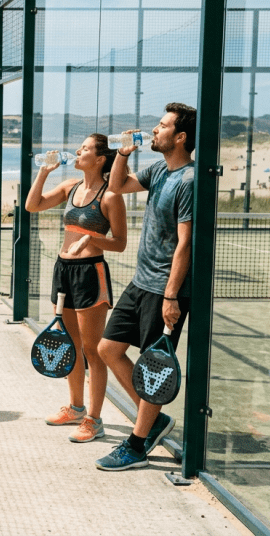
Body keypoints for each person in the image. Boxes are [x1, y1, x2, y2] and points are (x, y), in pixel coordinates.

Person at [94, 102, 197, 471]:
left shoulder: (189, 180)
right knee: (108, 348)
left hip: (164, 290)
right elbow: (118, 185)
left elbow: (185, 244)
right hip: (141, 283)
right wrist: (122, 153)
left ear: (180, 137)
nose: (155, 130)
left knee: (153, 365)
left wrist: (171, 296)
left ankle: (138, 444)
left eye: (162, 125)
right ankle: (151, 420)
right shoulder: (159, 170)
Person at [25, 134, 127, 443]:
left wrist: (91, 239)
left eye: (85, 148)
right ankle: (76, 408)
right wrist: (44, 170)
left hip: (89, 274)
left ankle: (95, 420)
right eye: (79, 147)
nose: (78, 151)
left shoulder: (110, 196)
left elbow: (120, 244)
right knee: (70, 344)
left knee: (93, 350)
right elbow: (33, 205)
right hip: (63, 271)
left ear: (99, 160)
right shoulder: (70, 187)